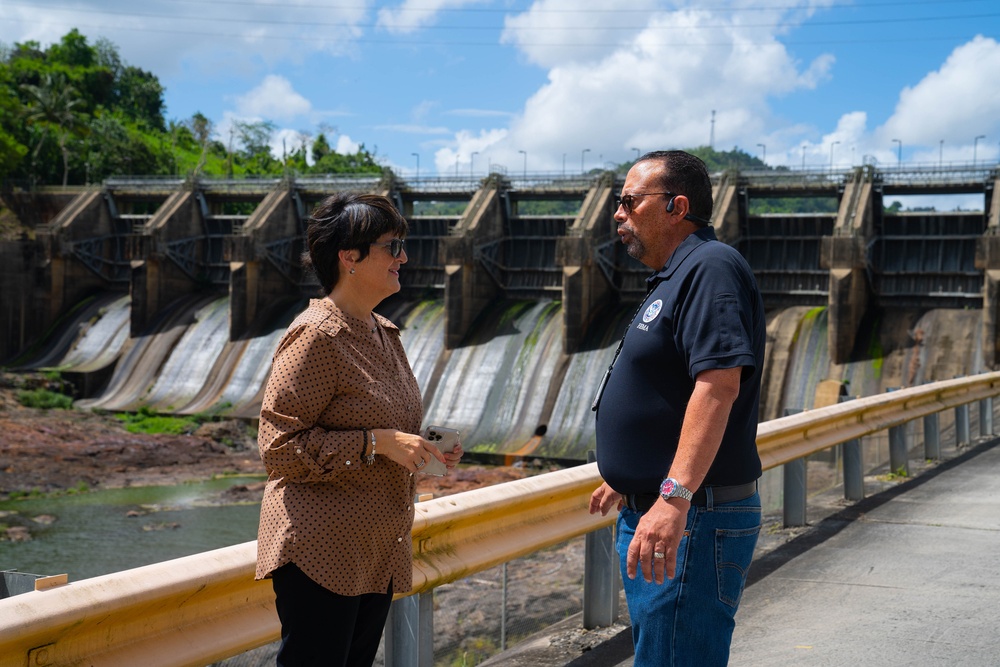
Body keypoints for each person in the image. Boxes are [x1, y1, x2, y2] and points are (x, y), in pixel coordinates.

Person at [255, 192, 463, 667]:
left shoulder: (382, 331)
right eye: (393, 246)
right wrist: (377, 444)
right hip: (321, 553)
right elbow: (278, 448)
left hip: (375, 552)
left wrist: (424, 450)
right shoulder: (316, 336)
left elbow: (386, 426)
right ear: (350, 257)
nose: (403, 257)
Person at [589, 150, 765, 666]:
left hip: (694, 517)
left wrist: (672, 497)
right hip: (669, 508)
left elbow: (717, 385)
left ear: (676, 206)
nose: (617, 214)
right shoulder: (676, 274)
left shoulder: (710, 268)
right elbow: (670, 388)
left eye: (629, 201)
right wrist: (634, 473)